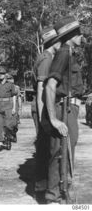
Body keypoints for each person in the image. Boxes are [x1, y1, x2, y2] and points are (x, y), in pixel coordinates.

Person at [44, 16, 84, 204]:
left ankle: (61, 193)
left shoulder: (71, 53)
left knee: (67, 153)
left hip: (71, 108)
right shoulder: (64, 53)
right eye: (77, 32)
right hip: (64, 109)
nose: (81, 35)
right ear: (69, 36)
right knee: (60, 152)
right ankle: (54, 197)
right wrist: (54, 119)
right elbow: (50, 85)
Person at [32, 26, 61, 196]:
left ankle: (42, 184)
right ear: (53, 42)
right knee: (44, 147)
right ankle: (41, 185)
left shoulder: (47, 57)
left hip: (43, 106)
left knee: (45, 147)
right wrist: (45, 118)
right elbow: (41, 90)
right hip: (42, 106)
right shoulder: (47, 59)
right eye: (59, 40)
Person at [0, 66, 17, 152]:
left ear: (5, 74)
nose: (0, 75)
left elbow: (14, 96)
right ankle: (0, 143)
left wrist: (14, 107)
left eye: (2, 73)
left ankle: (8, 138)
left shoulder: (10, 84)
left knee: (8, 124)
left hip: (7, 104)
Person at [6, 74, 21, 142]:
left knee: (15, 122)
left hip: (15, 105)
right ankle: (9, 136)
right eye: (8, 79)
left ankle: (14, 133)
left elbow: (19, 97)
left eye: (11, 78)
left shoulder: (16, 87)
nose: (10, 80)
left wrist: (20, 108)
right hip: (7, 104)